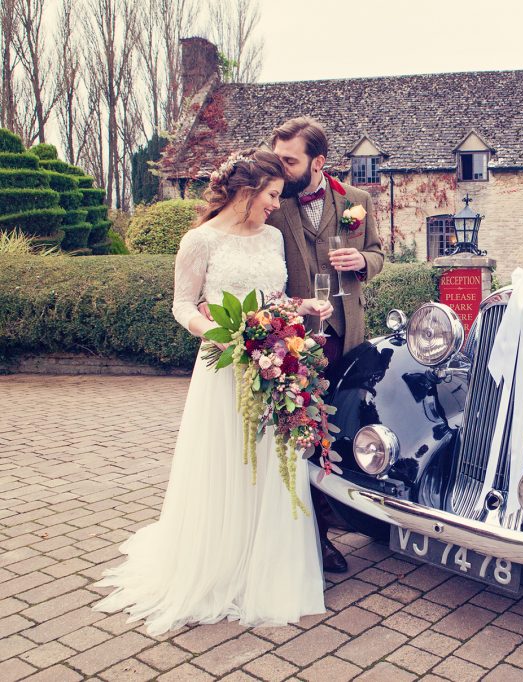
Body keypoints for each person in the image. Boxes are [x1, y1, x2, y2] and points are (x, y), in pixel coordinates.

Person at [93, 149, 332, 636]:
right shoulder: (198, 241)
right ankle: (218, 561)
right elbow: (183, 305)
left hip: (271, 366)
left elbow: (272, 300)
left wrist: (301, 306)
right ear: (247, 191)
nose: (274, 205)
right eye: (270, 196)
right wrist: (217, 332)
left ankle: (263, 562)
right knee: (226, 460)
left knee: (268, 462)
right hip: (223, 367)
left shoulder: (271, 236)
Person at [266, 116, 385, 574]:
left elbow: (378, 253)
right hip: (293, 344)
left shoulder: (357, 202)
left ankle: (347, 515)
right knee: (302, 436)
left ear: (318, 162)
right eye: (278, 158)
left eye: (289, 161)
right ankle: (313, 539)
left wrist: (363, 261)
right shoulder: (274, 204)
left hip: (345, 338)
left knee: (341, 430)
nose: (281, 168)